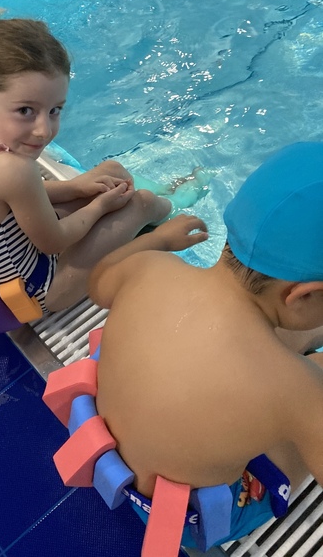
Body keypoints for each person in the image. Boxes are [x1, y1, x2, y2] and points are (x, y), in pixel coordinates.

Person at [88, 141, 323, 547]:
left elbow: (99, 280)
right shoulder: (297, 389)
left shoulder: (147, 268)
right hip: (191, 517)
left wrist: (159, 241)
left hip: (105, 449)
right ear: (304, 294)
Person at [0, 17, 209, 314]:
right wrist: (99, 207)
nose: (44, 130)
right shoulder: (13, 169)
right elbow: (55, 241)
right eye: (25, 110)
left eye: (55, 110)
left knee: (110, 172)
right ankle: (169, 212)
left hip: (6, 257)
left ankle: (153, 199)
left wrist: (77, 187)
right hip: (40, 289)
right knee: (140, 203)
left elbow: (9, 198)